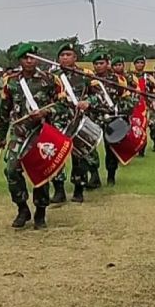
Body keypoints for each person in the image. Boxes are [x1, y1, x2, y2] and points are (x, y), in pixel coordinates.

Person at [0, 43, 67, 229]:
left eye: (32, 57)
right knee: (11, 170)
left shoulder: (50, 80)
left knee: (41, 171)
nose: (29, 61)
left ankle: (40, 212)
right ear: (20, 60)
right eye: (25, 58)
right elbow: (4, 109)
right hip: (19, 132)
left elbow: (63, 105)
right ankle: (22, 208)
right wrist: (1, 135)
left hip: (41, 133)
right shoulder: (11, 82)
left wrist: (45, 112)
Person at [50, 43, 102, 203]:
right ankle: (59, 190)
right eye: (62, 55)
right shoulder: (52, 76)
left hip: (77, 120)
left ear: (75, 57)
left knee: (79, 156)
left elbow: (99, 95)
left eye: (68, 55)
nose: (65, 58)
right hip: (57, 121)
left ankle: (79, 189)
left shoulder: (85, 75)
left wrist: (88, 102)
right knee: (55, 155)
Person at [92, 52, 137, 186]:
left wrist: (123, 111)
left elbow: (127, 97)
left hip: (111, 118)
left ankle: (111, 176)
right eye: (96, 64)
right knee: (89, 147)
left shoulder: (118, 80)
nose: (98, 66)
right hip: (94, 118)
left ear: (108, 64)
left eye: (101, 63)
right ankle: (94, 176)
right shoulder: (89, 80)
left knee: (111, 148)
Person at [132, 55, 152, 157]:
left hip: (144, 106)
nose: (140, 65)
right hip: (132, 106)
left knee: (143, 127)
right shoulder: (130, 77)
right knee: (132, 128)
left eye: (141, 63)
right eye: (137, 63)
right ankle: (133, 149)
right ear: (134, 64)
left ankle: (142, 150)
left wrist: (151, 104)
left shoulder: (148, 78)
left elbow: (153, 92)